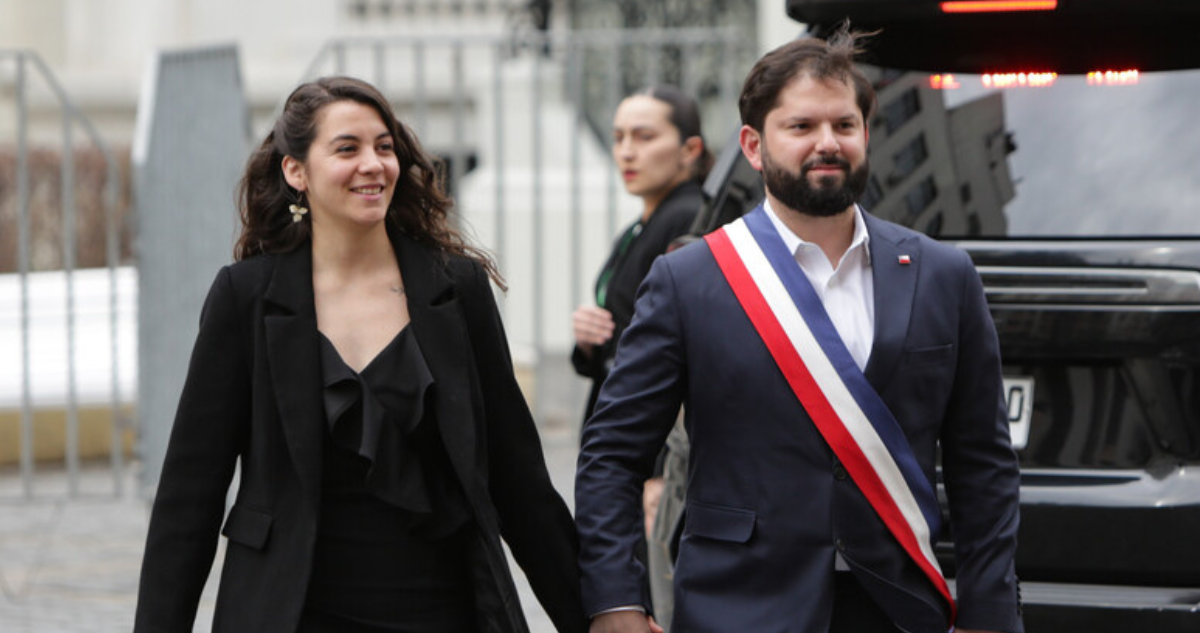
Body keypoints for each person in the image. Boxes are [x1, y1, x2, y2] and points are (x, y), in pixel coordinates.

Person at [575, 28, 1023, 633]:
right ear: (754, 147)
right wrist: (616, 604)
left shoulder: (944, 275)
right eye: (802, 127)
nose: (827, 144)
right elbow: (611, 456)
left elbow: (983, 466)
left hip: (898, 609)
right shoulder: (689, 279)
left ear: (866, 133)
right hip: (738, 606)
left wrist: (990, 613)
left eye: (844, 125)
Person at [134, 76, 586, 633]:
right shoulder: (245, 297)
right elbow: (189, 496)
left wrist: (594, 616)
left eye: (385, 146)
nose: (372, 164)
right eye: (347, 148)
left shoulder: (455, 288)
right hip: (292, 611)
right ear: (295, 171)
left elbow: (518, 479)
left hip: (443, 610)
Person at [571, 85, 711, 424]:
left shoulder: (688, 219)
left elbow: (687, 349)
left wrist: (660, 470)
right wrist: (590, 342)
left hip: (649, 442)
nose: (626, 152)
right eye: (619, 138)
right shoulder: (641, 225)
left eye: (644, 137)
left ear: (690, 149)